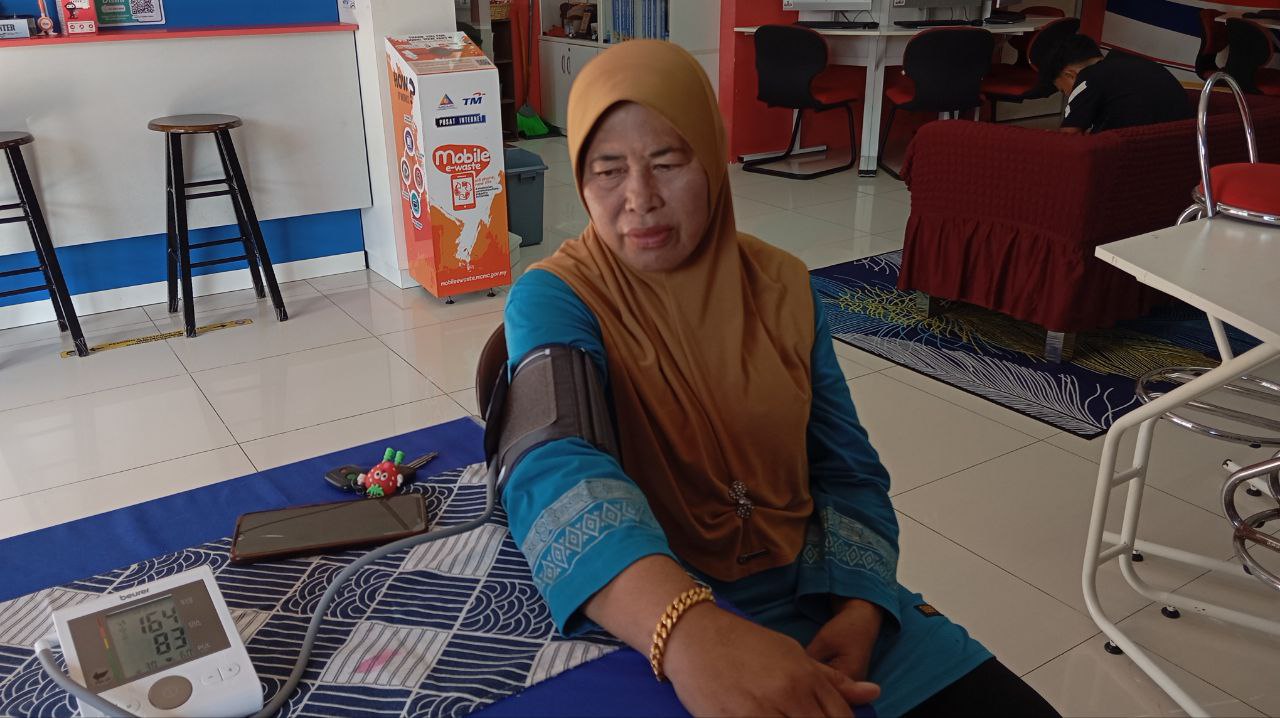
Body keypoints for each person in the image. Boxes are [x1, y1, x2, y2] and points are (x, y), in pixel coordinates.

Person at [498, 40, 1060, 718]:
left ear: (713, 158)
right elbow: (556, 463)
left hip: (823, 589)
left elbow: (847, 466)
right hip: (658, 608)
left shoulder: (782, 286)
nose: (639, 199)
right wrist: (689, 633)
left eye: (668, 163)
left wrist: (861, 608)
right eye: (607, 170)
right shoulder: (557, 297)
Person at [1042, 33, 1193, 134]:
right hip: (1185, 155)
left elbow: (1068, 137)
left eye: (1063, 90)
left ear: (1070, 75)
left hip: (1138, 160)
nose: (1068, 95)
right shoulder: (1138, 64)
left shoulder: (1088, 76)